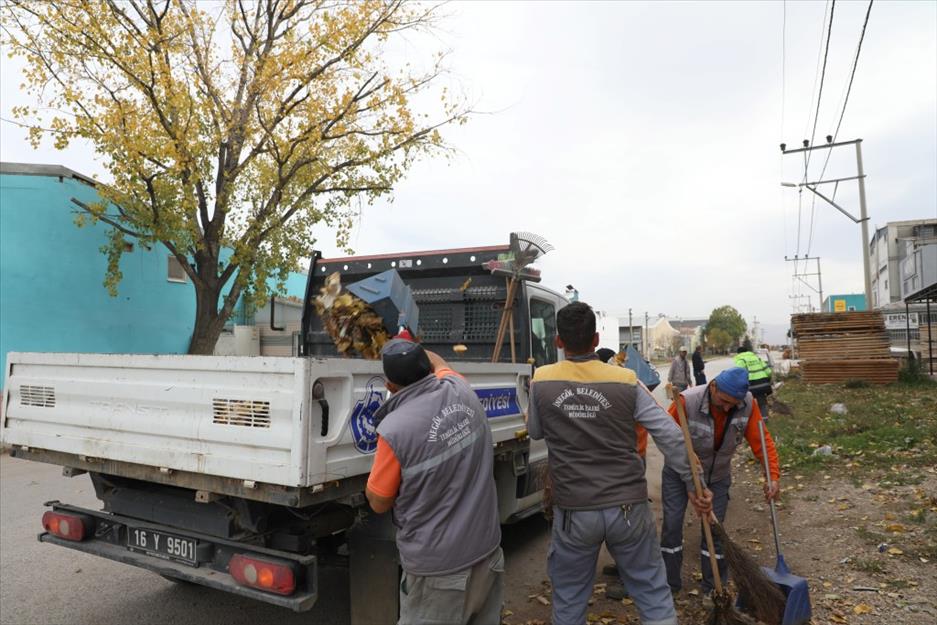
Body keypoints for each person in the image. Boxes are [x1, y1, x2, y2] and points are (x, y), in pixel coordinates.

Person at [527, 302, 713, 625]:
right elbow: (671, 436)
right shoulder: (626, 380)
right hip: (627, 509)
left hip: (574, 511)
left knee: (569, 601)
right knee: (653, 595)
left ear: (558, 341)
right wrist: (695, 484)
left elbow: (535, 431)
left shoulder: (541, 381)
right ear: (596, 340)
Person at [366, 338, 504, 625]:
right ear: (428, 369)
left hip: (438, 573)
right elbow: (440, 363)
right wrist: (409, 342)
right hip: (487, 554)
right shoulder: (461, 389)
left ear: (390, 386)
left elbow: (379, 502)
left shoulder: (394, 430)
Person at [660, 367, 780, 597]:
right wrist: (692, 483)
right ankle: (669, 584)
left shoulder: (748, 404)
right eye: (723, 401)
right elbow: (666, 440)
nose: (726, 408)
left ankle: (713, 588)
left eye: (732, 405)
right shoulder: (686, 402)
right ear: (713, 386)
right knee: (672, 527)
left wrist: (772, 476)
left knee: (715, 530)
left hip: (718, 476)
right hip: (679, 474)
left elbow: (762, 441)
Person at [734, 344, 773, 418]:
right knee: (762, 402)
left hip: (750, 386)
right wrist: (767, 379)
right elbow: (768, 372)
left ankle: (751, 419)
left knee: (747, 403)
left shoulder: (741, 360)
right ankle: (764, 420)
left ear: (738, 353)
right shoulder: (756, 358)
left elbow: (739, 375)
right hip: (763, 384)